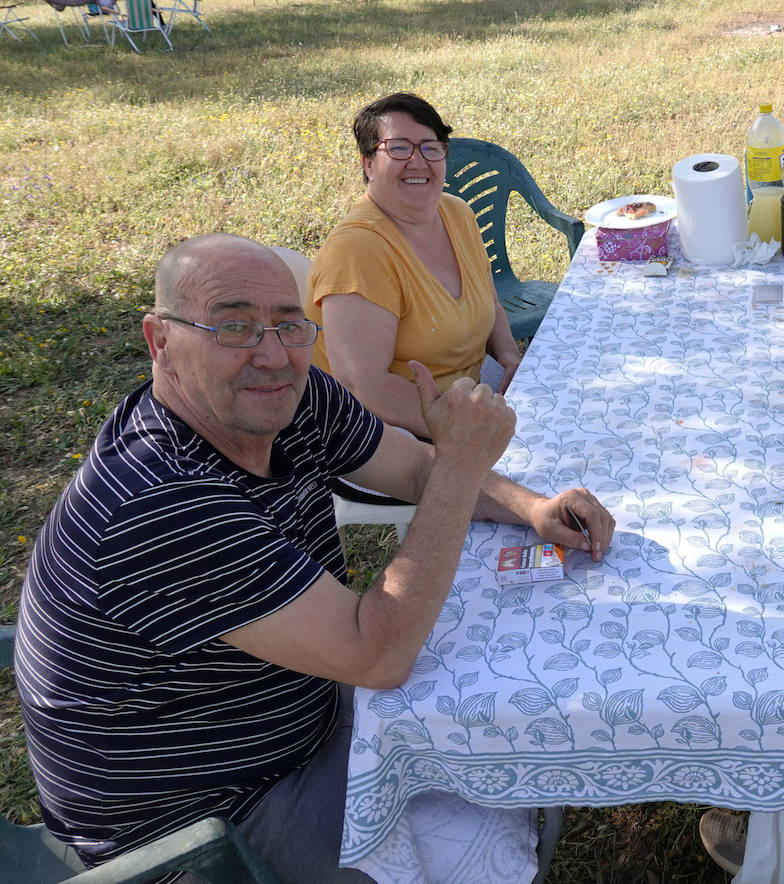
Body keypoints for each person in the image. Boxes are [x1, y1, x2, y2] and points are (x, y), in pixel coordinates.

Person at [15, 234, 614, 879]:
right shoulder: (159, 502)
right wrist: (463, 465)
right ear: (161, 340)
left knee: (503, 727)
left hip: (294, 712)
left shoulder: (288, 397)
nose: (271, 355)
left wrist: (530, 507)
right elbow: (376, 655)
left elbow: (413, 468)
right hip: (209, 824)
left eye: (289, 324)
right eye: (233, 326)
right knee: (492, 779)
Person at [305, 92, 522, 440]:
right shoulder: (358, 250)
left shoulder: (457, 213)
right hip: (396, 435)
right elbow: (367, 389)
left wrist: (511, 358)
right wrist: (464, 431)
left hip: (474, 399)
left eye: (431, 147)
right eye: (399, 148)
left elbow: (491, 305)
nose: (418, 162)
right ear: (368, 163)